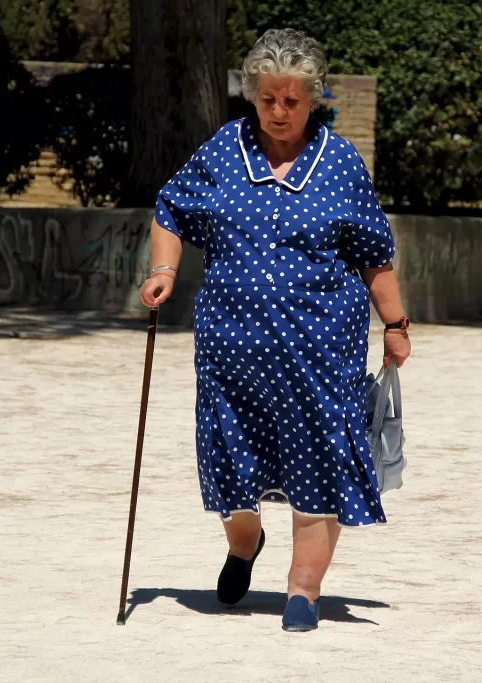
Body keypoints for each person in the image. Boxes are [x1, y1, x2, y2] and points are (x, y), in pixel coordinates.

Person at [139, 28, 411, 632]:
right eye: (268, 98)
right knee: (232, 468)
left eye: (292, 100)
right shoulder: (221, 150)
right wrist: (164, 271)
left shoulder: (340, 164)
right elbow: (170, 209)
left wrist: (395, 323)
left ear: (314, 98)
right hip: (230, 350)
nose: (279, 111)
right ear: (252, 95)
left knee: (318, 463)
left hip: (321, 354)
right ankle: (244, 543)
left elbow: (374, 253)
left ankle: (303, 591)